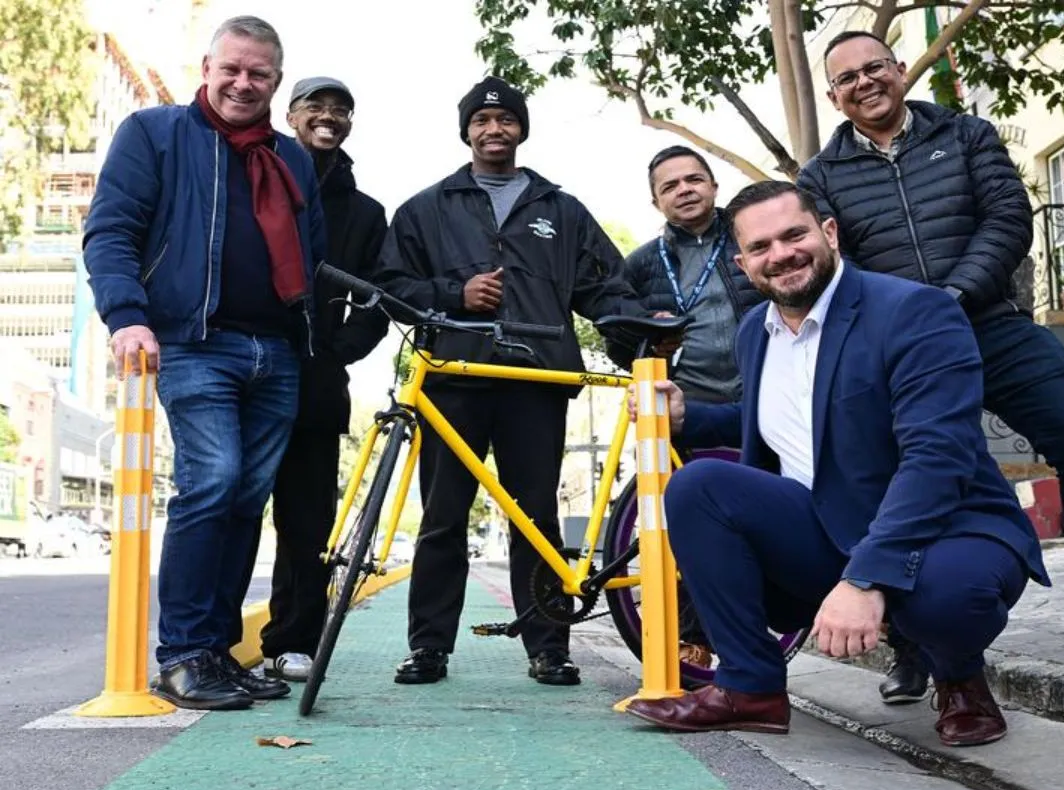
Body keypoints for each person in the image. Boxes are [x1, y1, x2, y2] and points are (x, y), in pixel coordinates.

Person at [797, 30, 1064, 706]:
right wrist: (899, 322)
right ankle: (910, 643)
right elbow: (829, 266)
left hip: (989, 324)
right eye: (847, 78)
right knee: (886, 476)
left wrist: (953, 296)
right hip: (899, 348)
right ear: (833, 96)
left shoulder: (968, 134)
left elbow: (1006, 218)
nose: (865, 83)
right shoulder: (820, 177)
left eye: (874, 67)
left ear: (900, 69)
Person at [622, 181, 1049, 746]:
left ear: (828, 233)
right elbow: (793, 417)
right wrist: (689, 419)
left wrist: (866, 577)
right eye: (761, 246)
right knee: (699, 485)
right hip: (827, 525)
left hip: (949, 529)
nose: (781, 254)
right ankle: (750, 689)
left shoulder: (915, 312)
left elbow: (936, 458)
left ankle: (959, 675)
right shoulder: (758, 331)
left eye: (794, 234)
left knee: (947, 602)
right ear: (743, 262)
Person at [83, 16, 325, 710]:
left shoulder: (291, 156)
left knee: (248, 500)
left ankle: (216, 651)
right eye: (233, 69)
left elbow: (311, 250)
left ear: (276, 81)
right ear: (208, 67)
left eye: (260, 74)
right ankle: (183, 654)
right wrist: (128, 315)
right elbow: (111, 229)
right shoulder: (154, 134)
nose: (244, 84)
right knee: (212, 482)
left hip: (273, 350)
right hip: (192, 340)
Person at [375, 76, 649, 687]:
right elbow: (392, 287)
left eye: (506, 121)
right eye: (481, 121)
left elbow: (603, 288)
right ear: (466, 131)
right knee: (443, 515)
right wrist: (455, 294)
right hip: (455, 379)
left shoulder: (561, 208)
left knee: (536, 516)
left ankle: (548, 646)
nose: (493, 129)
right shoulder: (426, 207)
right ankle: (429, 649)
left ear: (521, 129)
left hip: (536, 380)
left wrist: (642, 327)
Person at [609, 145, 764, 669]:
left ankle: (760, 632)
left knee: (771, 518)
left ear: (714, 186)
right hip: (685, 411)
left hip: (761, 400)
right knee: (687, 532)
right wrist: (648, 342)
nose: (685, 190)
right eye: (670, 186)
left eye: (694, 179)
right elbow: (617, 337)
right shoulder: (642, 264)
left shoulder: (752, 236)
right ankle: (694, 636)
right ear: (656, 202)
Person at [259, 77, 389, 682]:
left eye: (341, 108)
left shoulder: (365, 213)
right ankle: (204, 643)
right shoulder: (252, 174)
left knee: (307, 519)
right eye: (316, 106)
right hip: (246, 360)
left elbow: (377, 297)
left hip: (316, 377)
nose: (329, 116)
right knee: (231, 501)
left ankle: (291, 643)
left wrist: (336, 351)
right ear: (291, 115)